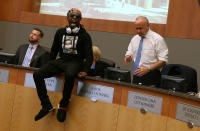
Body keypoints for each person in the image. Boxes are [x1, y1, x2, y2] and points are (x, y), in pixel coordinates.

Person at [33, 8, 93, 122]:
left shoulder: (85, 36)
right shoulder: (60, 32)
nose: (74, 18)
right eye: (72, 15)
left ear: (80, 20)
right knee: (37, 74)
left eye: (77, 17)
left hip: (76, 61)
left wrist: (85, 70)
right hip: (62, 60)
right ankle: (46, 106)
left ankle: (64, 105)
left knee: (70, 74)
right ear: (67, 17)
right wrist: (49, 63)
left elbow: (89, 55)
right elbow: (54, 49)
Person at [124, 16, 168, 87]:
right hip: (136, 75)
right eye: (137, 28)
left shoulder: (157, 39)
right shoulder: (135, 39)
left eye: (140, 28)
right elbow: (130, 52)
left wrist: (148, 69)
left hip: (151, 75)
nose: (138, 31)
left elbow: (163, 61)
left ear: (148, 26)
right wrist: (128, 57)